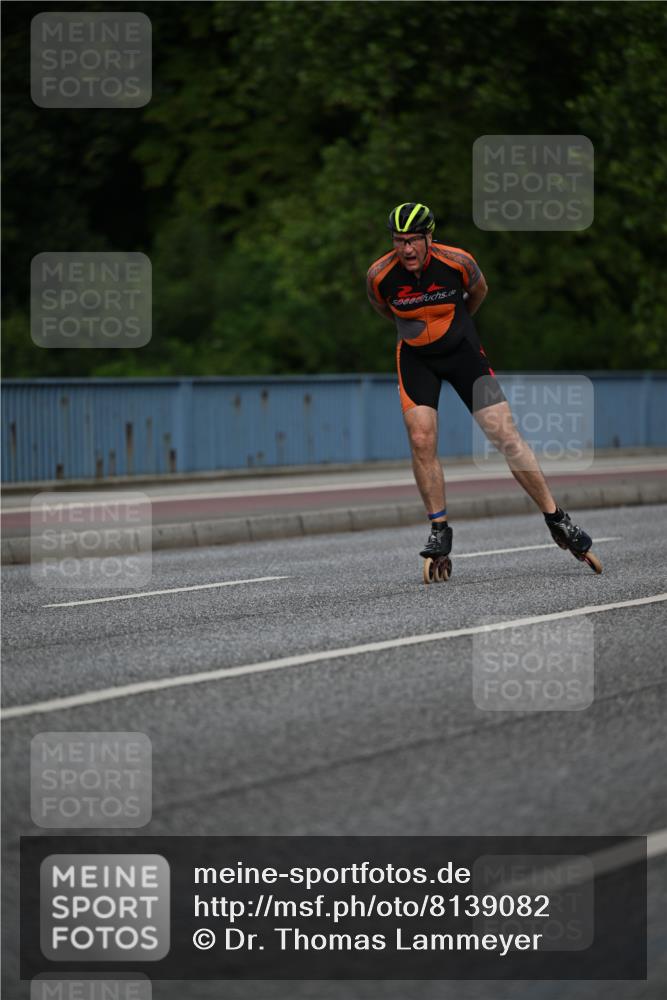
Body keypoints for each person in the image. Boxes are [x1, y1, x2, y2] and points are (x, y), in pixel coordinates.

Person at [366, 202, 600, 573]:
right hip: (416, 360)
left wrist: (457, 327)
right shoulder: (380, 275)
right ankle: (439, 530)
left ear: (429, 237)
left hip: (464, 355)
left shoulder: (459, 262)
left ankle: (557, 518)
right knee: (421, 438)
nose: (406, 249)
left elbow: (478, 292)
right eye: (398, 240)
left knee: (505, 434)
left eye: (413, 240)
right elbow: (383, 309)